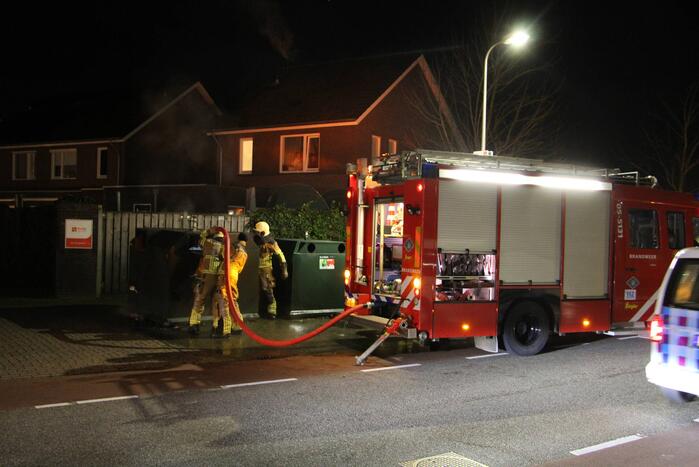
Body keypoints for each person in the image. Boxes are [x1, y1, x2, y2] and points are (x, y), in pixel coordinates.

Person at [188, 227, 225, 336]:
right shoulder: (224, 246)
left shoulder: (207, 243)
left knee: (200, 299)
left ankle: (194, 323)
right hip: (218, 277)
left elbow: (201, 239)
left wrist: (208, 231)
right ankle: (216, 326)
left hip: (205, 276)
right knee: (216, 302)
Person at [210, 232, 249, 337]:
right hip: (233, 275)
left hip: (226, 274)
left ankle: (225, 330)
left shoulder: (232, 246)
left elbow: (221, 255)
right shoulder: (244, 252)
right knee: (232, 300)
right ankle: (237, 325)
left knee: (224, 299)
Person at [253, 221, 288, 318]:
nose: (255, 234)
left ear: (262, 233)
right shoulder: (255, 242)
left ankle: (272, 308)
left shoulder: (271, 243)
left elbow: (281, 256)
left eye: (257, 232)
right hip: (254, 267)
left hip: (265, 269)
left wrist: (284, 270)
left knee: (267, 288)